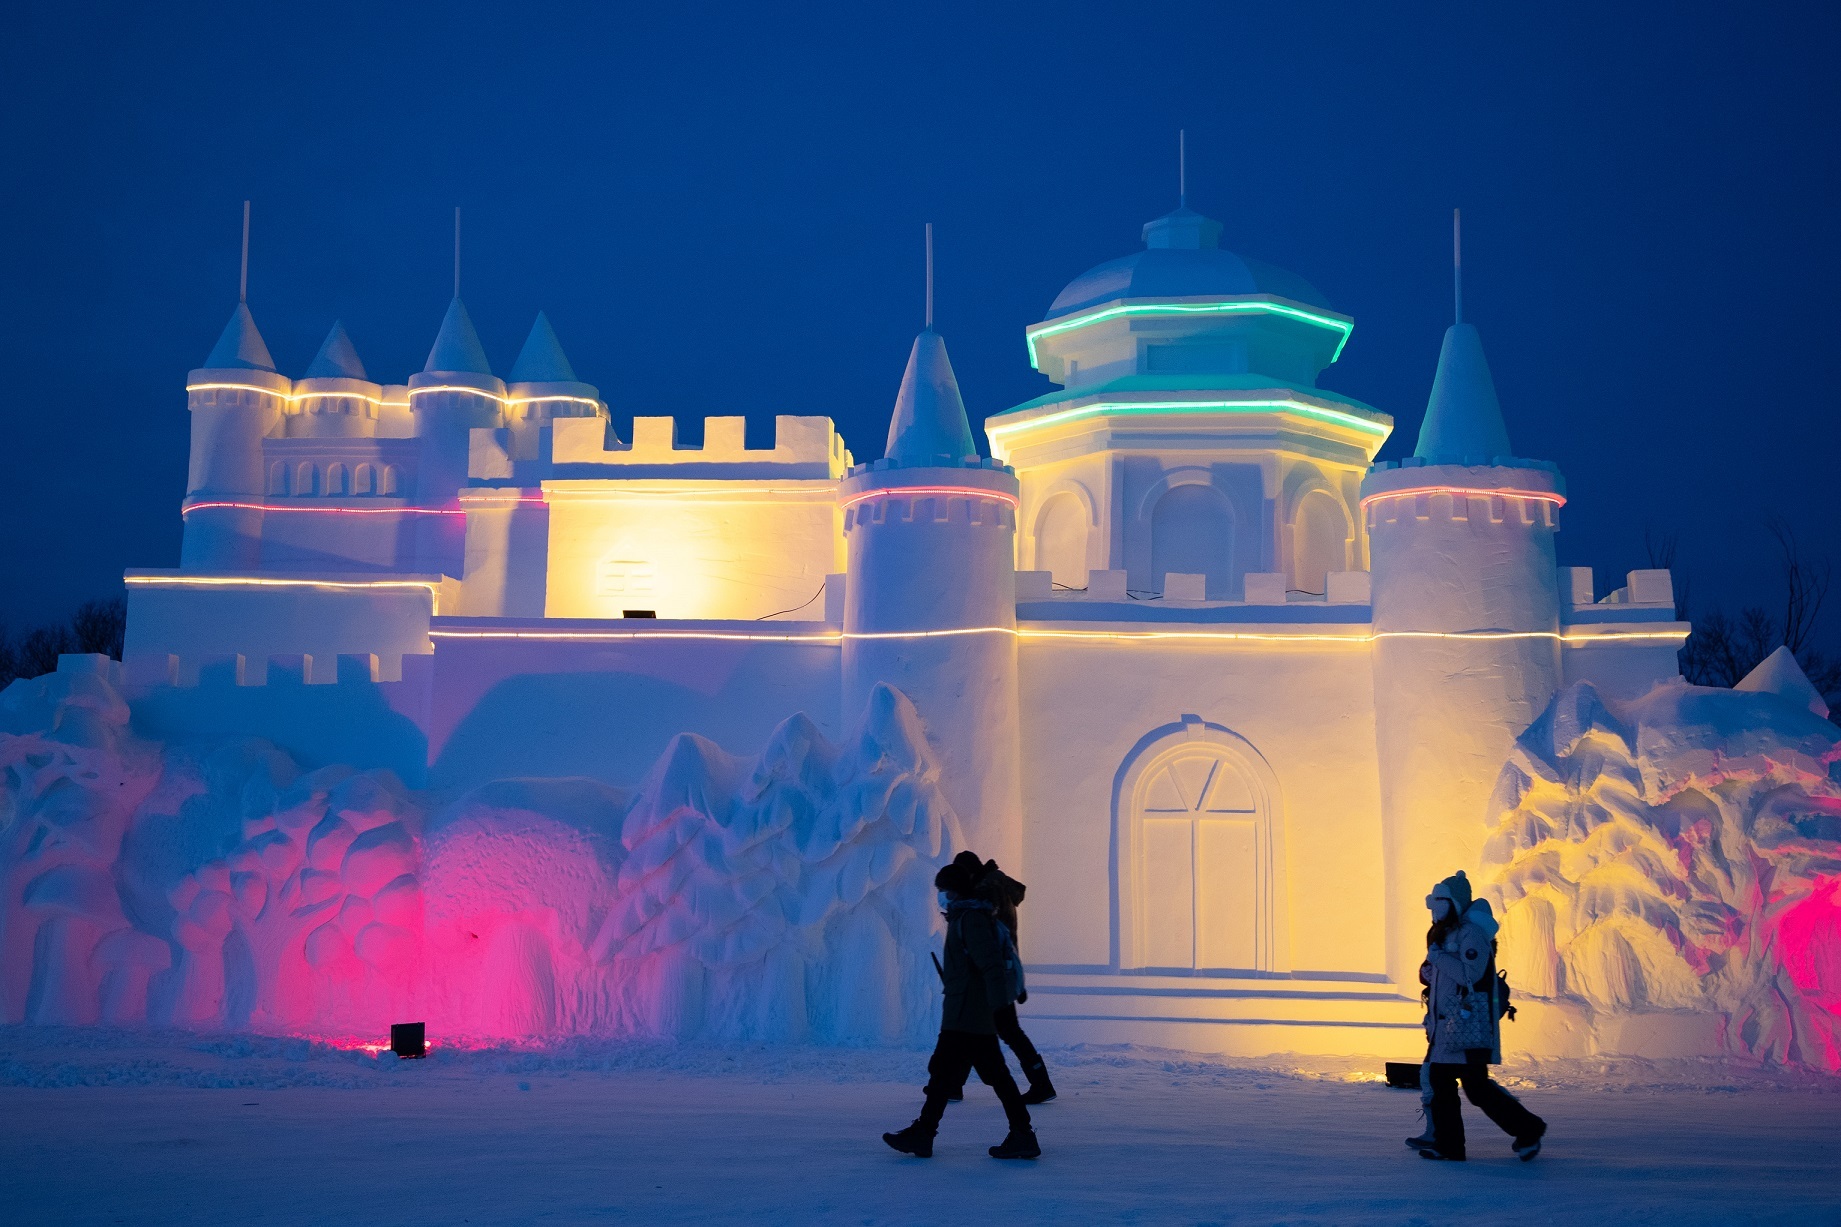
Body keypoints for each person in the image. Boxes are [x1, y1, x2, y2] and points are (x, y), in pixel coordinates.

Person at [883, 859, 1041, 1160]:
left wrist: (997, 1007)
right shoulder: (965, 917)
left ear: (954, 890)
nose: (940, 895)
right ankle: (1019, 1133)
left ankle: (925, 1133)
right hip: (966, 1013)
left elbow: (991, 965)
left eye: (943, 890)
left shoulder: (971, 919)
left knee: (948, 1073)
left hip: (968, 1016)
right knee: (975, 1075)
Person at [1411, 870, 1547, 1162]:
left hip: (1465, 1026)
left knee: (1473, 1088)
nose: (1435, 907)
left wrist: (1438, 959)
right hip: (1447, 1027)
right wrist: (1428, 971)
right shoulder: (1448, 932)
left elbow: (1469, 974)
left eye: (1440, 900)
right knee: (1458, 1085)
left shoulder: (1471, 933)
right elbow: (1445, 977)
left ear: (1453, 902)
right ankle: (1453, 1146)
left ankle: (1526, 1129)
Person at [936, 851, 1056, 1104]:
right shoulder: (993, 887)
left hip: (991, 977)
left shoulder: (986, 893)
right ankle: (952, 1084)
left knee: (1003, 1030)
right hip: (998, 973)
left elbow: (990, 941)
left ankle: (1039, 1085)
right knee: (976, 1029)